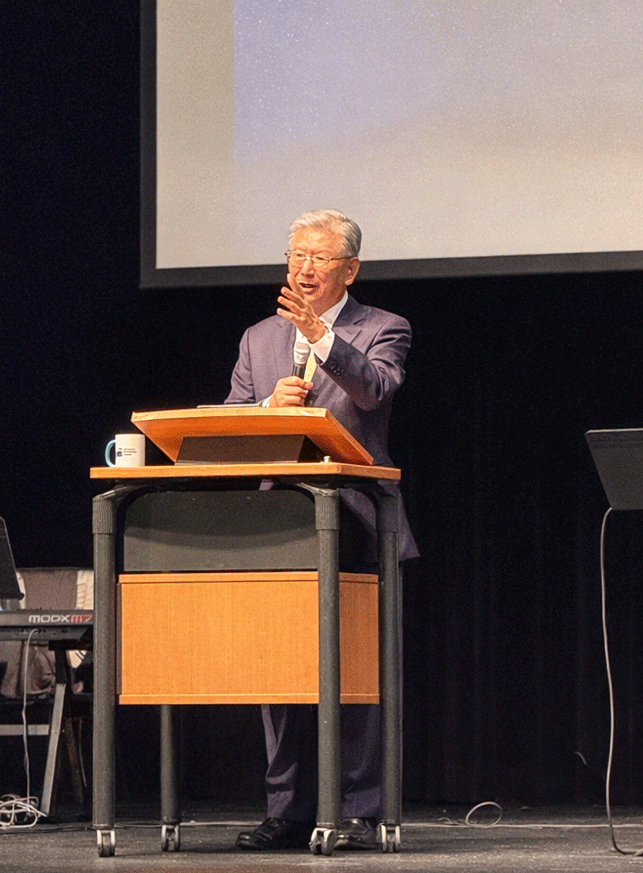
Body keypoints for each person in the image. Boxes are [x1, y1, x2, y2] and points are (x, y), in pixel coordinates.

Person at [225, 209, 417, 850]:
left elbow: (374, 391)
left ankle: (359, 809)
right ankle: (286, 809)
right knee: (279, 671)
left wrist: (319, 336)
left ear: (349, 269)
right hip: (278, 525)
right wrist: (265, 409)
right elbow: (229, 422)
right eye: (297, 257)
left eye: (319, 258)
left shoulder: (384, 327)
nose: (304, 269)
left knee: (358, 674)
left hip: (357, 522)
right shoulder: (259, 338)